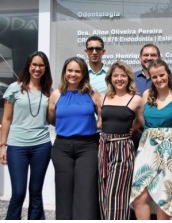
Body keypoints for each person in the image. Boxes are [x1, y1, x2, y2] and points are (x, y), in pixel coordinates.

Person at [130, 59, 172, 220]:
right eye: (154, 77)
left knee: (165, 197)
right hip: (147, 149)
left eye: (162, 75)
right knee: (139, 196)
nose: (159, 79)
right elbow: (139, 119)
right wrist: (131, 128)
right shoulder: (147, 95)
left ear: (168, 75)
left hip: (170, 152)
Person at [0, 51, 53, 220]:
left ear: (45, 68)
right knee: (18, 192)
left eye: (41, 65)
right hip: (17, 146)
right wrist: (3, 145)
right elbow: (6, 119)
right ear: (28, 66)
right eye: (34, 65)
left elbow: (53, 118)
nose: (37, 68)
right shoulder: (14, 88)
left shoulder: (48, 91)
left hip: (42, 146)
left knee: (36, 192)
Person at [48, 56, 101, 219]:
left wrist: (88, 126)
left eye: (77, 71)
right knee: (64, 191)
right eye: (70, 70)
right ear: (64, 72)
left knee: (86, 192)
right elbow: (51, 118)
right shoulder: (56, 94)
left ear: (83, 73)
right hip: (62, 147)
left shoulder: (92, 93)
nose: (73, 74)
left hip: (88, 147)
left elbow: (101, 117)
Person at [98, 61, 143, 220]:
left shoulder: (136, 99)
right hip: (103, 147)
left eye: (123, 75)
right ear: (110, 78)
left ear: (129, 78)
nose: (119, 79)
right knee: (103, 193)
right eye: (115, 75)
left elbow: (142, 122)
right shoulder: (103, 97)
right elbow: (100, 122)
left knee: (116, 194)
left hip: (123, 148)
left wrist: (134, 128)